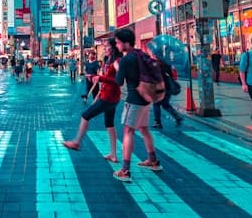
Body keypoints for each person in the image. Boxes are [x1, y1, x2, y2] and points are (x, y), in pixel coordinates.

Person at [113, 28, 162, 181]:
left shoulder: (126, 59)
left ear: (126, 43)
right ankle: (153, 160)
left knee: (128, 132)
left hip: (134, 99)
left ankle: (125, 171)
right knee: (144, 129)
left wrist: (117, 68)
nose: (117, 46)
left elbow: (119, 82)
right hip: (146, 98)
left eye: (118, 43)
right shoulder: (141, 54)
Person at [63, 38, 122, 162]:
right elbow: (107, 79)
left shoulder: (116, 62)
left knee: (85, 115)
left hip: (109, 97)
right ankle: (113, 155)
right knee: (109, 124)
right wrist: (99, 89)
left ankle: (77, 142)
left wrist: (100, 78)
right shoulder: (108, 61)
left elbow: (118, 81)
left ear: (113, 47)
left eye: (106, 46)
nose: (104, 48)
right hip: (110, 96)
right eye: (104, 46)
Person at [152, 58, 183, 129]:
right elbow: (172, 76)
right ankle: (177, 116)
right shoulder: (167, 64)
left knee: (156, 104)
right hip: (168, 87)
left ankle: (157, 122)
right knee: (165, 105)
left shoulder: (155, 64)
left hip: (159, 87)